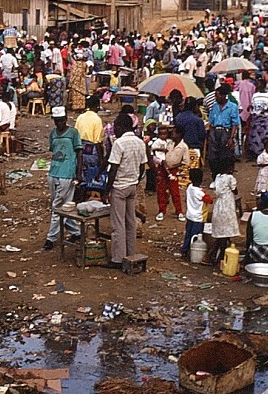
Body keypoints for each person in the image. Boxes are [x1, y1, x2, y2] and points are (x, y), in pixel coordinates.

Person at [106, 112, 147, 269]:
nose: (114, 130)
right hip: (132, 185)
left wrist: (106, 191)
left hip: (119, 187)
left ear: (121, 127)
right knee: (130, 222)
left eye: (116, 127)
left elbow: (113, 169)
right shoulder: (139, 142)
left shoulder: (119, 143)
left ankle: (118, 258)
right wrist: (136, 179)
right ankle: (131, 253)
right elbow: (143, 165)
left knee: (118, 225)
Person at [43, 106, 83, 250]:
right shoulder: (53, 133)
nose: (59, 123)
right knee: (63, 204)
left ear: (65, 119)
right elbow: (53, 151)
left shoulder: (73, 133)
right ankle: (76, 231)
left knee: (57, 206)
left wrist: (79, 174)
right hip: (54, 172)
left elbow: (79, 153)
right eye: (56, 121)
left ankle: (51, 237)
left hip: (67, 173)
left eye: (61, 120)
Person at [207, 158, 240, 263]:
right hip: (228, 204)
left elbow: (215, 188)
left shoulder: (217, 177)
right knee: (227, 227)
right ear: (230, 168)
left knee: (221, 227)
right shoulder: (230, 178)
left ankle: (216, 253)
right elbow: (235, 191)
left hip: (219, 205)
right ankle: (220, 256)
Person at [206, 83, 240, 179]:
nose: (216, 97)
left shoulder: (232, 107)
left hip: (226, 131)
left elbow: (234, 123)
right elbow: (211, 120)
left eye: (217, 95)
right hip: (214, 131)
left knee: (224, 156)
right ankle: (215, 176)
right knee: (212, 157)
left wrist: (231, 138)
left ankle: (224, 177)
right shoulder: (215, 106)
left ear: (223, 95)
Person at [74, 95, 106, 196]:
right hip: (92, 149)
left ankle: (80, 193)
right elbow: (97, 141)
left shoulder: (80, 117)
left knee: (80, 170)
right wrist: (101, 159)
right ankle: (90, 192)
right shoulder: (97, 119)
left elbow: (75, 134)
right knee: (92, 172)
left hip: (80, 147)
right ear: (97, 106)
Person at [156, 125, 189, 222]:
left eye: (174, 133)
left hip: (174, 170)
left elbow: (185, 161)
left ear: (179, 135)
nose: (172, 134)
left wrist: (173, 167)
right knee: (161, 190)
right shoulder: (169, 143)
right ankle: (162, 210)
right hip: (163, 169)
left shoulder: (184, 147)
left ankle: (179, 211)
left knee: (174, 192)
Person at [181, 168, 211, 258]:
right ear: (201, 179)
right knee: (196, 236)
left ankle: (184, 249)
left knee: (188, 234)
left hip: (190, 215)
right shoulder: (200, 193)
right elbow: (209, 200)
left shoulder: (189, 187)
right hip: (198, 218)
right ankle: (193, 253)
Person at [248, 80, 268, 158]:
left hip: (265, 118)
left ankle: (266, 152)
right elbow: (253, 105)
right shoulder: (255, 95)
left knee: (266, 135)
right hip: (256, 118)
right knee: (256, 136)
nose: (258, 86)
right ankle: (257, 154)